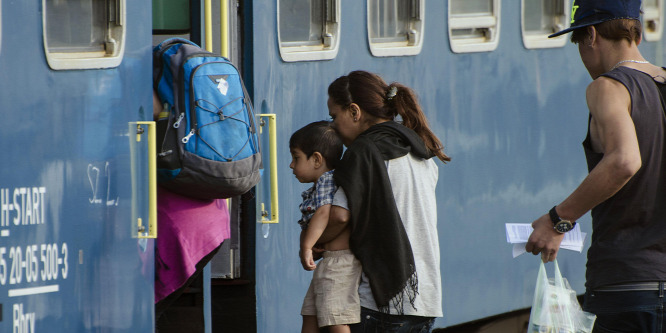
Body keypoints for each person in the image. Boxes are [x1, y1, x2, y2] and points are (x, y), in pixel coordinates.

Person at [525, 0, 666, 331]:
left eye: (578, 43)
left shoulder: (609, 87)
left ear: (590, 35)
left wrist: (558, 219)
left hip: (626, 287)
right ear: (637, 34)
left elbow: (624, 160)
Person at [319, 70, 450, 332]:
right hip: (424, 299)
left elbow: (340, 215)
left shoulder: (364, 152)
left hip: (381, 302)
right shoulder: (420, 149)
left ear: (354, 112)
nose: (332, 126)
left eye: (334, 116)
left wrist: (316, 243)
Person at [152, 91, 231, 328]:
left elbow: (152, 112)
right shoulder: (174, 76)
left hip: (179, 230)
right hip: (212, 217)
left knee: (146, 314)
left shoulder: (151, 72)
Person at [290, 121, 362, 333]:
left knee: (335, 317)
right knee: (310, 314)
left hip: (340, 262)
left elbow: (323, 214)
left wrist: (306, 247)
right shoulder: (317, 187)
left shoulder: (327, 181)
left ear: (316, 159)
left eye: (296, 158)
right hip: (329, 262)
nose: (291, 165)